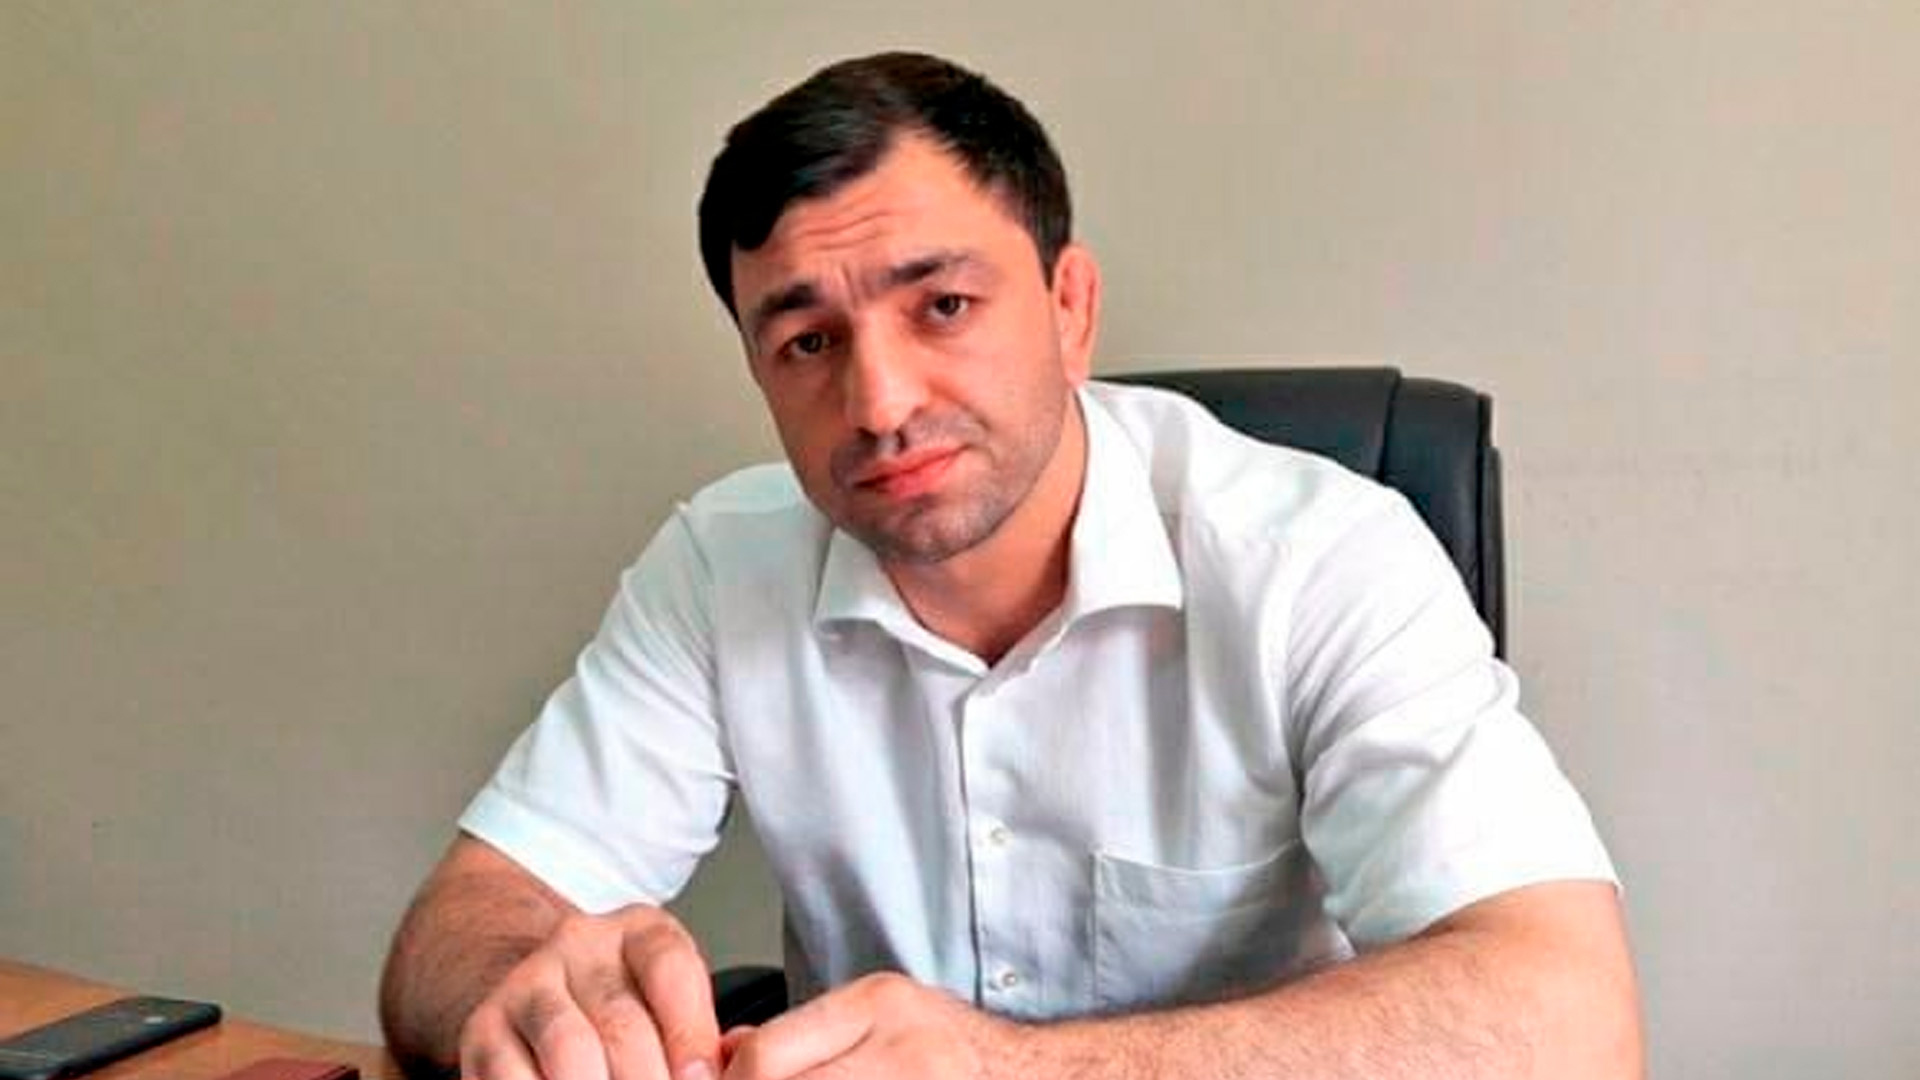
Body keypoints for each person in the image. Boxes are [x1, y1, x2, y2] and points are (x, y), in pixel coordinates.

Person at [379, 51, 1642, 1080]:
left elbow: (1571, 1021)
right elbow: (465, 920)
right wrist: (532, 998)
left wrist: (1006, 1067)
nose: (879, 403)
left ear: (1070, 308)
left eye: (942, 307)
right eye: (808, 341)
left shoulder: (1320, 556)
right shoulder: (721, 566)